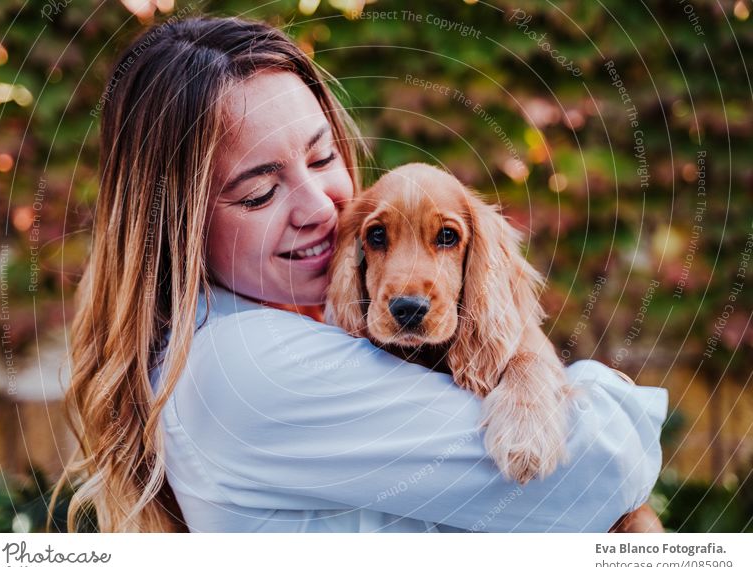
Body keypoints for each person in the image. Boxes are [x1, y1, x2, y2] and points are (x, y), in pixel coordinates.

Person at [50, 16, 668, 533]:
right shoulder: (251, 369)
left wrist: (520, 357)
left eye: (322, 156)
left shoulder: (265, 331)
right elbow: (601, 464)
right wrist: (581, 384)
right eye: (260, 192)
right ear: (177, 230)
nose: (322, 208)